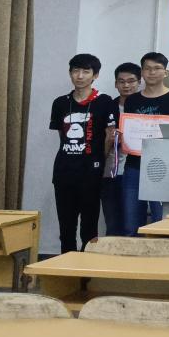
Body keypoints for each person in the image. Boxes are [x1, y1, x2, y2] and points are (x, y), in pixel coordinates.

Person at [48, 53, 117, 253]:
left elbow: (110, 136)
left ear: (95, 75)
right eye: (75, 71)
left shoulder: (105, 101)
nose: (80, 76)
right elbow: (62, 135)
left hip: (91, 171)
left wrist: (98, 159)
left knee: (89, 226)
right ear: (70, 73)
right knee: (66, 226)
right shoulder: (60, 103)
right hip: (64, 170)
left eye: (86, 71)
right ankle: (66, 263)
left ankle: (86, 265)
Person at [121, 52, 169, 236]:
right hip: (134, 166)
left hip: (164, 167)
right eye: (147, 68)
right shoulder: (132, 100)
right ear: (142, 72)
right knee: (131, 224)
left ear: (166, 72)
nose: (152, 72)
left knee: (161, 224)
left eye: (157, 68)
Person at [102, 62, 140, 236]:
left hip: (135, 170)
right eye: (121, 81)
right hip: (110, 171)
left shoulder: (144, 106)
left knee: (132, 222)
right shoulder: (107, 106)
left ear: (139, 82)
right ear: (115, 84)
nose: (126, 85)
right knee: (112, 221)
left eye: (131, 81)